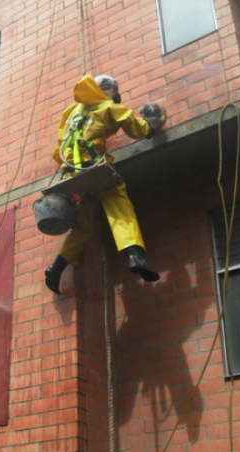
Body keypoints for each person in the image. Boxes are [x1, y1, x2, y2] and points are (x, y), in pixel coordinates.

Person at [45, 74, 165, 294]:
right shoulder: (111, 108)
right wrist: (152, 121)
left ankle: (56, 268)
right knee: (120, 210)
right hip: (96, 171)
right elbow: (140, 129)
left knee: (82, 229)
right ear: (109, 91)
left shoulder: (71, 112)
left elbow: (61, 143)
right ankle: (135, 256)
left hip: (71, 176)